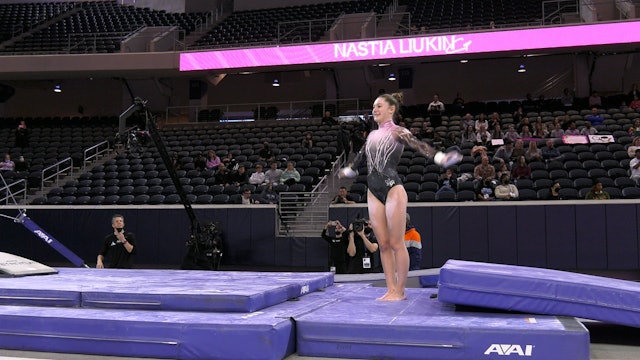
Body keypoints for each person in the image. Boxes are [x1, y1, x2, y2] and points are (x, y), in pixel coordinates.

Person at [338, 92, 461, 300]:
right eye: (373, 106)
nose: (374, 109)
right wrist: (349, 170)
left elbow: (419, 145)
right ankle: (390, 289)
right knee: (383, 245)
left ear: (391, 109)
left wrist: (440, 157)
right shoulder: (371, 136)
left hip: (393, 188)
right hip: (373, 191)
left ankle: (401, 291)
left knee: (396, 243)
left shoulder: (398, 131)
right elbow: (360, 158)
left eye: (379, 106)